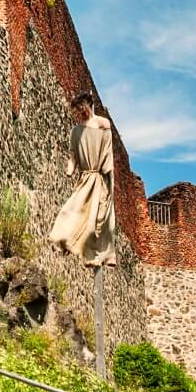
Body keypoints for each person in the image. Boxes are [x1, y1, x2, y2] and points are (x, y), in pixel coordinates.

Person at [48, 91, 117, 268]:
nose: (79, 113)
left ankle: (105, 255)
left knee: (101, 221)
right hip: (86, 178)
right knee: (71, 211)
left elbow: (107, 151)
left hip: (100, 177)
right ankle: (65, 241)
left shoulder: (103, 124)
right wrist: (69, 169)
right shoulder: (76, 131)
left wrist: (108, 179)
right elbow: (73, 156)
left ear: (88, 105)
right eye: (77, 110)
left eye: (81, 108)